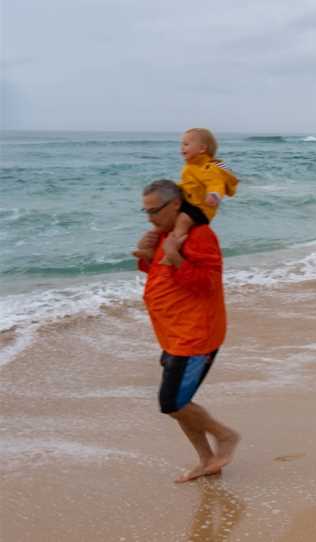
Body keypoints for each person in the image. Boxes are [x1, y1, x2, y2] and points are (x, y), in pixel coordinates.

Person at [136, 179, 240, 483]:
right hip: (173, 333)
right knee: (180, 405)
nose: (149, 218)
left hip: (196, 336)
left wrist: (175, 254)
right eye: (145, 211)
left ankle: (226, 437)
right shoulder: (167, 235)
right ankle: (208, 460)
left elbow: (206, 284)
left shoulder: (200, 236)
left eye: (154, 210)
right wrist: (146, 257)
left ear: (176, 204)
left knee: (173, 402)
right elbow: (162, 275)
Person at [133, 128, 238, 263]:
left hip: (201, 208)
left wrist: (214, 195)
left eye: (186, 144)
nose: (182, 148)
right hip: (189, 202)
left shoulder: (209, 168)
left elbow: (216, 183)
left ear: (202, 148)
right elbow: (188, 185)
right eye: (181, 144)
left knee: (182, 221)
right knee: (159, 226)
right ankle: (149, 251)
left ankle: (171, 252)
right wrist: (175, 190)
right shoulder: (190, 166)